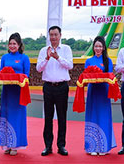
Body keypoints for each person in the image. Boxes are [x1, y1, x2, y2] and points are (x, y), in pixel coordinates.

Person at [36, 25, 74, 156]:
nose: (53, 37)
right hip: (48, 87)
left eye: (55, 35)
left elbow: (70, 65)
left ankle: (61, 145)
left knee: (62, 117)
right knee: (48, 117)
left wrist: (57, 57)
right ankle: (48, 146)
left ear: (60, 35)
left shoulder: (66, 49)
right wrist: (47, 58)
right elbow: (38, 69)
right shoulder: (43, 50)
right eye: (51, 35)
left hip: (62, 87)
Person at [84, 35, 115, 156]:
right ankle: (92, 146)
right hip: (93, 92)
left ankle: (104, 146)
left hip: (104, 92)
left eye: (100, 46)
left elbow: (110, 76)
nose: (98, 48)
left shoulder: (108, 61)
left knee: (103, 117)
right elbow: (86, 76)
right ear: (93, 47)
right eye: (96, 46)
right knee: (93, 116)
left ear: (103, 48)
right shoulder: (89, 61)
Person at [0, 32, 30, 156]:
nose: (12, 46)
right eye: (10, 43)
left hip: (18, 92)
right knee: (6, 116)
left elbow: (26, 75)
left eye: (14, 44)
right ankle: (6, 144)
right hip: (7, 91)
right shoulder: (4, 57)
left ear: (19, 45)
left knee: (17, 117)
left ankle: (15, 144)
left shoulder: (24, 58)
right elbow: (1, 73)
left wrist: (17, 78)